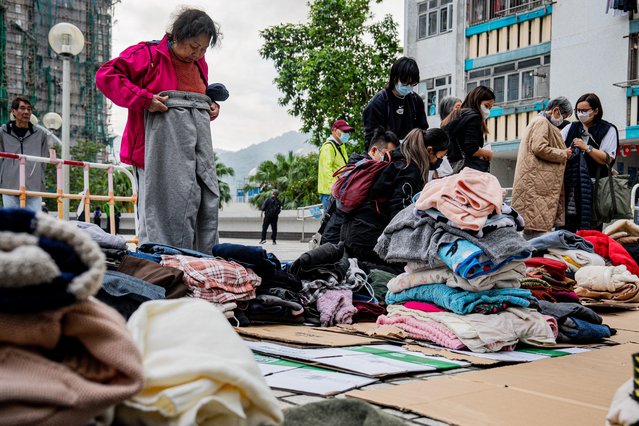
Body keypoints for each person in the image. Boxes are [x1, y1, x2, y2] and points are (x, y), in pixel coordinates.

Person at [96, 8, 222, 252]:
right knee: (159, 208)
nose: (197, 54)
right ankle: (161, 262)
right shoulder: (148, 55)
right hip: (151, 150)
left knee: (199, 203)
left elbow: (194, 103)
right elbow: (106, 75)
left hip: (190, 151)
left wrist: (211, 106)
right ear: (177, 36)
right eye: (193, 46)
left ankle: (199, 260)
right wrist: (144, 99)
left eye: (203, 49)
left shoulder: (199, 65)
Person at [341, 128, 449, 263]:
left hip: (352, 229)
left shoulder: (396, 159)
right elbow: (400, 214)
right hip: (366, 235)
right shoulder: (409, 170)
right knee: (396, 273)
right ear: (429, 150)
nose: (440, 162)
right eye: (440, 157)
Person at [320, 128, 400, 245]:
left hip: (335, 236)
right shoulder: (366, 174)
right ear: (373, 151)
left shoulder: (355, 167)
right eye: (388, 155)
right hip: (338, 240)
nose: (390, 162)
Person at [511, 97, 574, 240]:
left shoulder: (538, 121)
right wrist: (564, 153)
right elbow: (539, 148)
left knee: (531, 229)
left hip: (536, 181)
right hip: (537, 183)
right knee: (537, 231)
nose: (562, 121)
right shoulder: (542, 122)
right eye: (563, 117)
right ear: (556, 110)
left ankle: (531, 259)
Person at [561, 93, 620, 231]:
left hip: (595, 187)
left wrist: (587, 148)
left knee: (591, 229)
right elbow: (557, 145)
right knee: (565, 228)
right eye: (578, 110)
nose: (581, 114)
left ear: (596, 110)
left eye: (585, 110)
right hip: (571, 187)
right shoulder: (571, 127)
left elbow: (607, 158)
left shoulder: (608, 130)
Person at [362, 57, 429, 151]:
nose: (408, 87)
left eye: (412, 84)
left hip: (409, 154)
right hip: (386, 154)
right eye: (405, 83)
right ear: (395, 78)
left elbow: (422, 130)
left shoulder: (416, 101)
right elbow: (372, 139)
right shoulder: (378, 103)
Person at [0, 96, 49, 211]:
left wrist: (39, 178)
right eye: (22, 108)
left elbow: (43, 160)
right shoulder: (3, 132)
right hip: (9, 185)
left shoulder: (40, 134)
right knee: (12, 224)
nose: (26, 112)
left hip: (34, 186)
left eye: (29, 109)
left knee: (34, 223)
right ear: (14, 111)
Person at [442, 86, 495, 173]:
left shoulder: (455, 115)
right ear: (477, 100)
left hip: (452, 167)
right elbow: (471, 149)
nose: (488, 111)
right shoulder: (474, 117)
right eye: (486, 106)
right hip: (467, 169)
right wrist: (488, 153)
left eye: (490, 108)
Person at [317, 119, 352, 212]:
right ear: (334, 130)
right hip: (330, 193)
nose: (347, 134)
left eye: (348, 132)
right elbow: (326, 171)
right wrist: (335, 191)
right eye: (344, 131)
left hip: (339, 191)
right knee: (330, 224)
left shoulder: (341, 146)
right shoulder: (328, 147)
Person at [434, 96, 462, 178]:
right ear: (448, 109)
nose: (462, 110)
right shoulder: (446, 129)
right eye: (458, 106)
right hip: (454, 169)